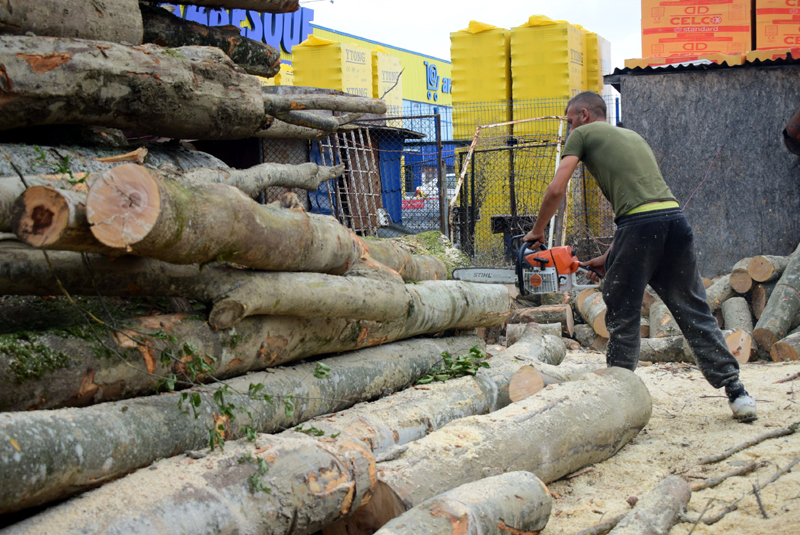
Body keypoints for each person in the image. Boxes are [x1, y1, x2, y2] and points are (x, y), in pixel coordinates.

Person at [523, 91, 757, 422]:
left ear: (585, 115)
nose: (569, 124)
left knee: (622, 309)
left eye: (570, 118)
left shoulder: (582, 134)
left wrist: (536, 231)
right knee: (694, 309)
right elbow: (645, 204)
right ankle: (737, 392)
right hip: (674, 222)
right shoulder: (632, 136)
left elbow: (557, 189)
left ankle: (619, 393)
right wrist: (611, 256)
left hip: (640, 226)